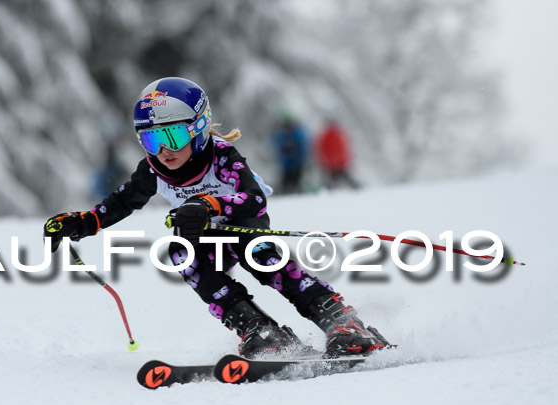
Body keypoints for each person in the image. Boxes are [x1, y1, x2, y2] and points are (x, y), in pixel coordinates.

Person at [44, 77, 387, 358]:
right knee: (181, 253)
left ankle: (341, 320)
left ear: (199, 128)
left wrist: (209, 205)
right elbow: (122, 202)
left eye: (173, 136)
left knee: (263, 258)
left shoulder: (221, 156)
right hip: (203, 239)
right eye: (151, 138)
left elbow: (252, 198)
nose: (164, 151)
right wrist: (82, 222)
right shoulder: (153, 169)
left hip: (244, 227)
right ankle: (260, 330)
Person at [315, 119, 360, 190]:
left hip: (333, 165)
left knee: (331, 181)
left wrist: (325, 162)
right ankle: (357, 188)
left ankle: (326, 191)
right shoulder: (339, 134)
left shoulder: (326, 136)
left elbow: (322, 150)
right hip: (338, 164)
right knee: (343, 179)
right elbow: (344, 149)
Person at [271, 110, 308, 194]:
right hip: (286, 164)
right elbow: (277, 144)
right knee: (286, 183)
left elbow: (301, 146)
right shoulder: (281, 134)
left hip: (296, 163)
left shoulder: (296, 132)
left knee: (296, 182)